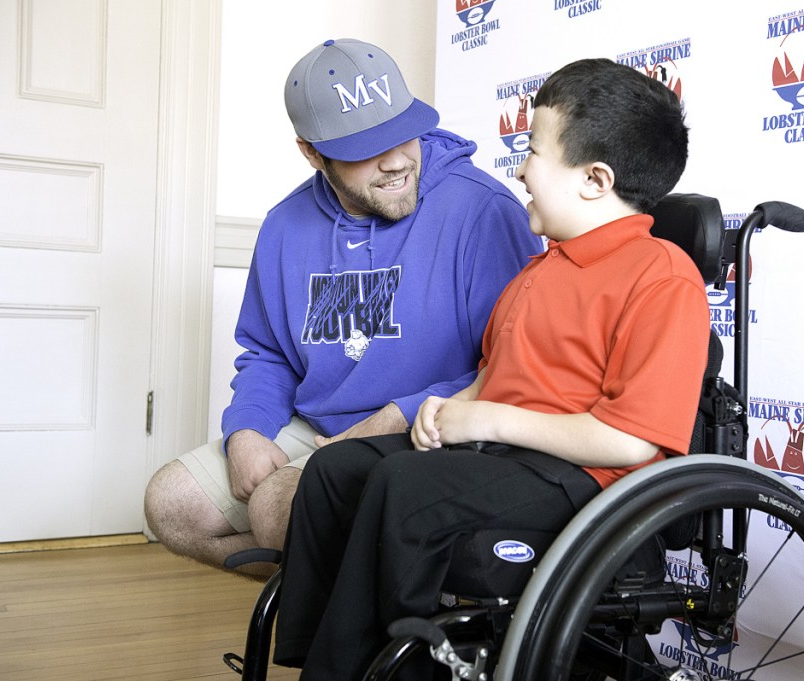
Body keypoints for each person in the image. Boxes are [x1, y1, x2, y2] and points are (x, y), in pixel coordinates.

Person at [273, 57, 710, 679]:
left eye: (533, 151)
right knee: (333, 469)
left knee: (406, 487)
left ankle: (377, 670)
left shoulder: (661, 276)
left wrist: (488, 419)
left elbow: (631, 439)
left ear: (594, 179)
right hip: (502, 459)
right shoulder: (540, 270)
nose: (521, 168)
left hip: (585, 480)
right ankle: (318, 658)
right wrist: (450, 411)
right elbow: (496, 376)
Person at [143, 39, 541, 575]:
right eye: (366, 148)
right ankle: (329, 597)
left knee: (275, 509)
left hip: (428, 429)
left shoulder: (483, 210)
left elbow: (510, 366)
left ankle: (342, 610)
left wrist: (387, 421)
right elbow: (268, 353)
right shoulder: (285, 226)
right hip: (318, 424)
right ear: (311, 152)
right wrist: (247, 432)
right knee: (170, 505)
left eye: (405, 131)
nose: (398, 160)